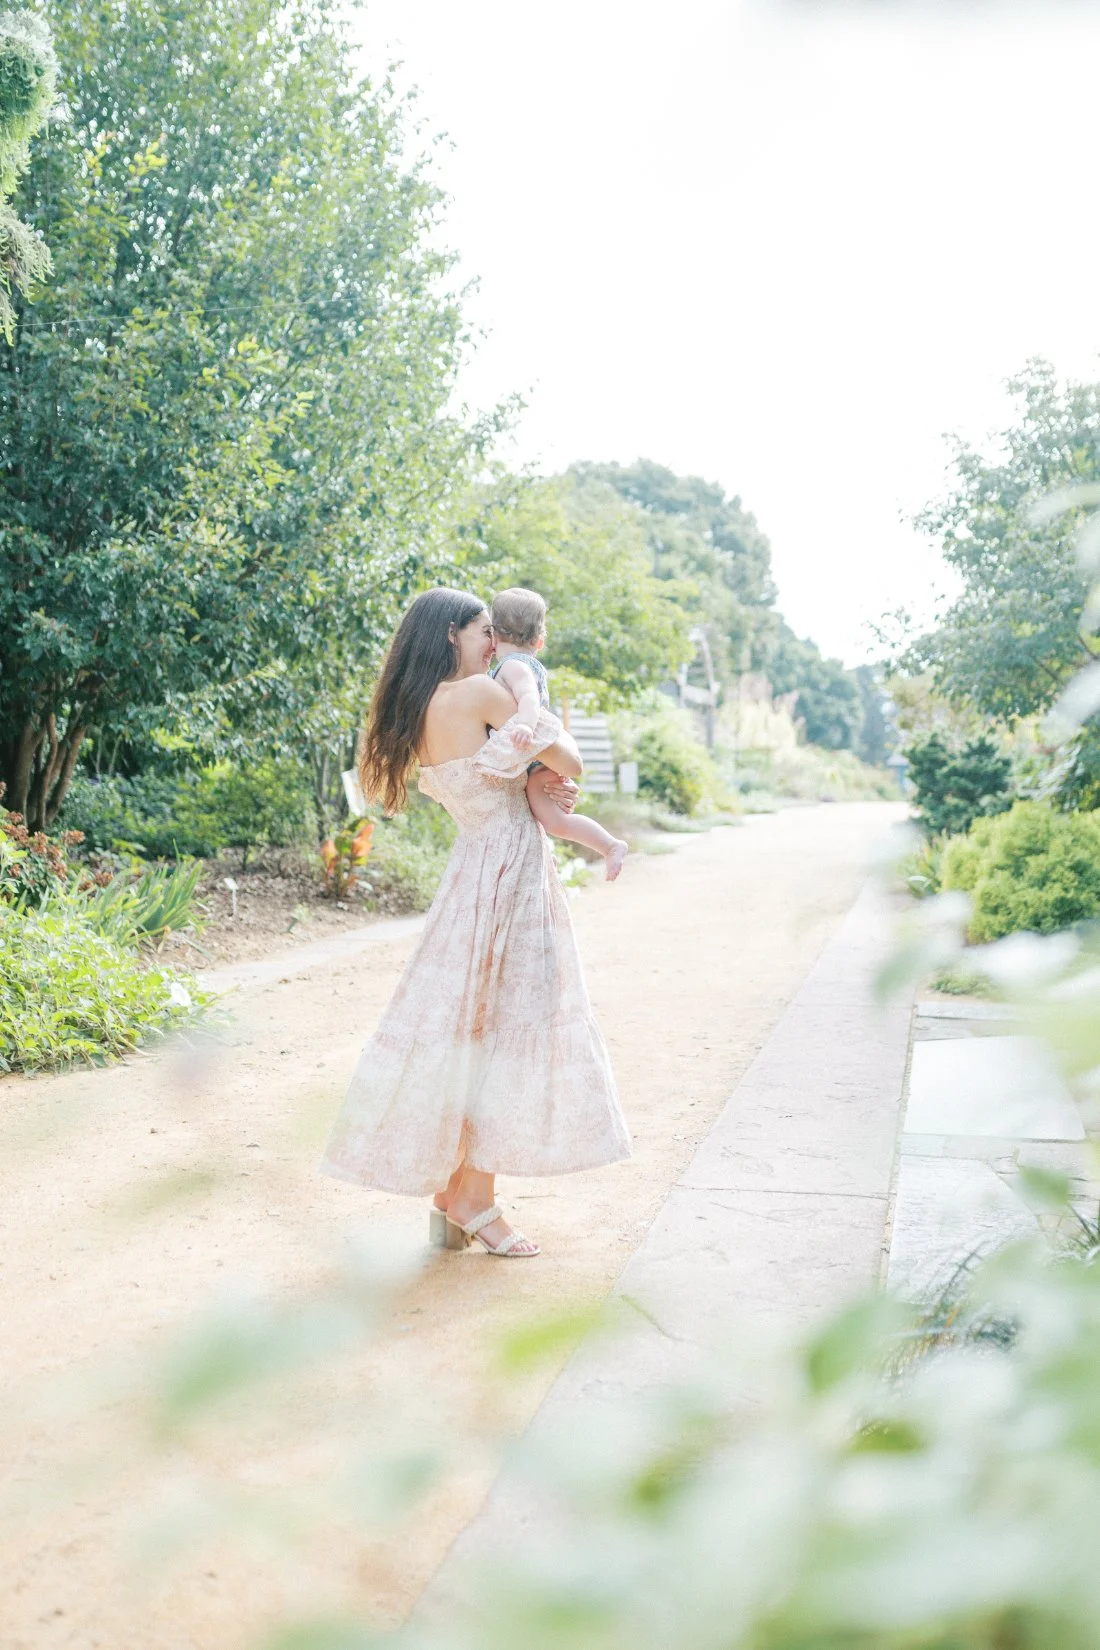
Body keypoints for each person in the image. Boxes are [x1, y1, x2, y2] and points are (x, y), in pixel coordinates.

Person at [319, 587, 631, 1258]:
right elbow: (568, 759)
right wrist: (548, 764)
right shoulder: (483, 696)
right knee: (511, 1031)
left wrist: (531, 775)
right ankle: (474, 1199)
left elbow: (507, 773)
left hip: (469, 877)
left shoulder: (419, 707)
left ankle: (453, 1190)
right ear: (453, 635)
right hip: (512, 873)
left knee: (466, 1027)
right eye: (484, 631)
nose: (494, 645)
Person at [490, 587, 629, 882]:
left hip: (535, 758)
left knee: (556, 822)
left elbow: (527, 695)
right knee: (552, 822)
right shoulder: (526, 663)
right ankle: (604, 845)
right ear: (539, 641)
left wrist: (525, 725)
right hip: (536, 757)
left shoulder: (513, 666)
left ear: (492, 637)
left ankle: (609, 845)